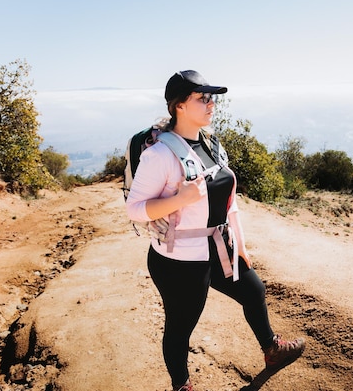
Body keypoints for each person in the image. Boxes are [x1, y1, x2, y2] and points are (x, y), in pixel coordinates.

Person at [125, 70, 305, 391]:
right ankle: (182, 385)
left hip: (220, 246)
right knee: (181, 328)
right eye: (203, 98)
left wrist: (243, 246)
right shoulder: (160, 154)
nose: (212, 105)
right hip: (178, 258)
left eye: (212, 98)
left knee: (254, 291)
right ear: (179, 105)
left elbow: (229, 202)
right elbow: (136, 209)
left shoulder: (211, 144)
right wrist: (180, 198)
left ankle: (272, 350)